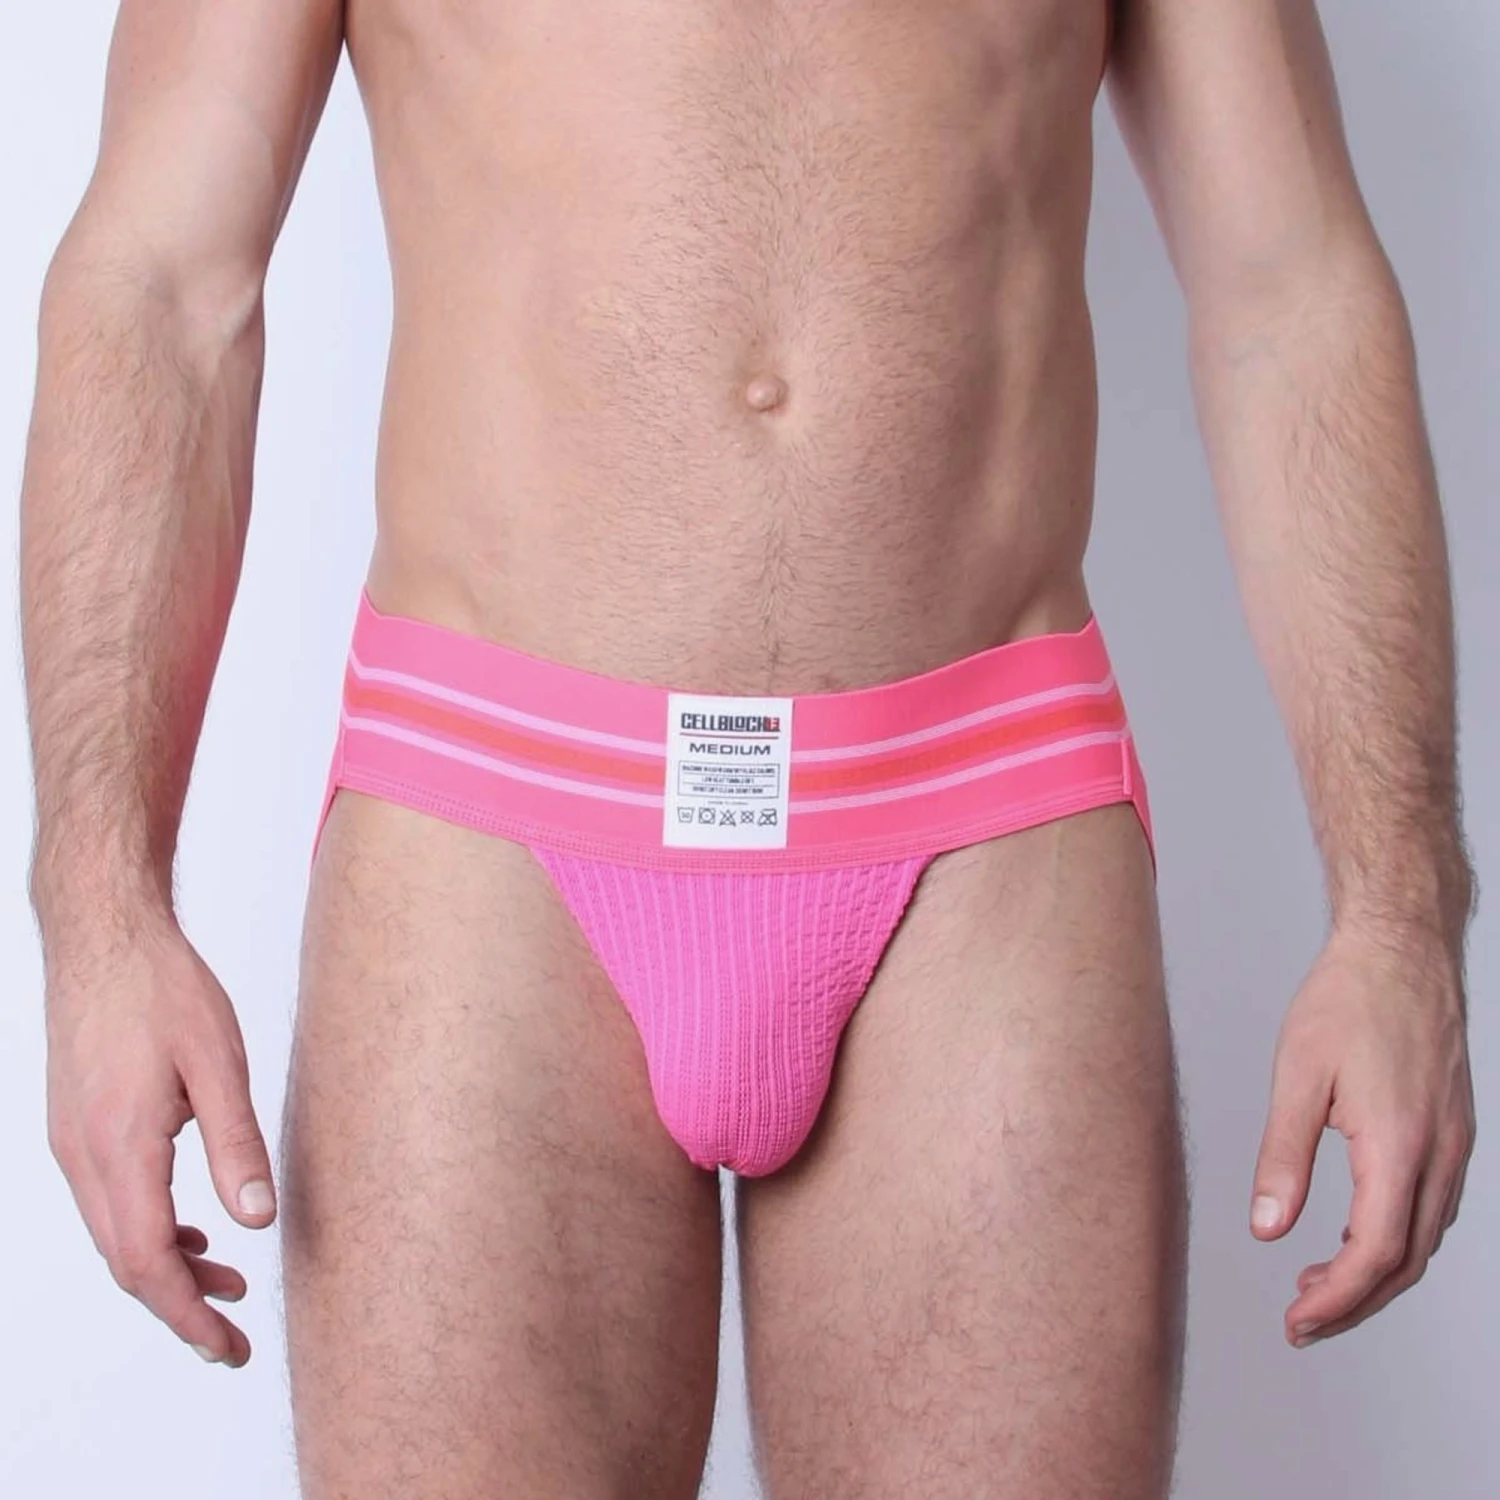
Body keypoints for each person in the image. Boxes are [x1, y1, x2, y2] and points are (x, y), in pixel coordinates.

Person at [19, 1, 1477, 1496]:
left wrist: (1401, 916)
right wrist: (100, 915)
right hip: (492, 832)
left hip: (980, 829)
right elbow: (161, 286)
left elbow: (1289, 294)